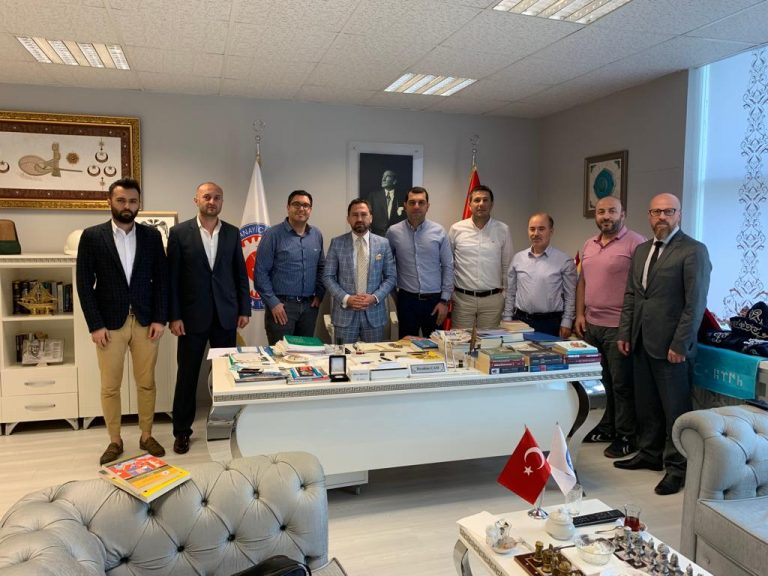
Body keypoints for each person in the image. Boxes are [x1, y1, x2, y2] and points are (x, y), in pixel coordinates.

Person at [614, 193, 711, 496]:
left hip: (672, 347)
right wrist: (625, 332)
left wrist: (681, 343)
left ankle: (677, 468)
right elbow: (632, 295)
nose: (662, 217)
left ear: (679, 214)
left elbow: (695, 304)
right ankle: (649, 453)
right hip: (641, 341)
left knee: (675, 411)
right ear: (649, 215)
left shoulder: (693, 250)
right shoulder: (642, 250)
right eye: (656, 212)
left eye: (668, 211)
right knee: (647, 405)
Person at [76, 177, 168, 466]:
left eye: (132, 201)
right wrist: (95, 324)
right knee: (110, 386)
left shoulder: (152, 237)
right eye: (121, 200)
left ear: (139, 204)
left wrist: (160, 318)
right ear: (110, 202)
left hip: (145, 322)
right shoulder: (92, 236)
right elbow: (84, 284)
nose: (127, 205)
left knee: (147, 383)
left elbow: (162, 281)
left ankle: (146, 435)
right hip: (108, 324)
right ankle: (115, 440)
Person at [167, 182, 250, 454]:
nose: (212, 201)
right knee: (187, 376)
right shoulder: (180, 233)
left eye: (217, 197)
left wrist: (244, 309)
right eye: (207, 197)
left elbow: (239, 274)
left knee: (225, 376)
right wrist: (174, 316)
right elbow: (173, 279)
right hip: (191, 318)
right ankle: (182, 431)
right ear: (196, 200)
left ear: (221, 202)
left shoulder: (232, 233)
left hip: (226, 316)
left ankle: (224, 426)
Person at [574, 197, 646, 458]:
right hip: (591, 325)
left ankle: (626, 435)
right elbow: (582, 282)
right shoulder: (589, 244)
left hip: (619, 327)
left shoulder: (636, 243)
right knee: (599, 382)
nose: (606, 216)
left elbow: (641, 288)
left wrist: (629, 326)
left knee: (621, 384)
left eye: (612, 211)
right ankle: (605, 427)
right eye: (601, 211)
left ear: (623, 214)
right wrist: (579, 314)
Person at [254, 190, 325, 344]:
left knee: (305, 354)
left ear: (310, 210)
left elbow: (321, 267)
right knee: (281, 355)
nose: (301, 209)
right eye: (296, 204)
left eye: (306, 205)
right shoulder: (272, 235)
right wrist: (273, 303)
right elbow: (260, 273)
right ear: (288, 207)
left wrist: (319, 293)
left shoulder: (316, 235)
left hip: (309, 308)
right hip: (282, 308)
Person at [323, 198, 396, 343]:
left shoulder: (383, 243)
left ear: (371, 217)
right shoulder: (337, 243)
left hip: (374, 314)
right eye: (355, 215)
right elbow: (328, 277)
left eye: (363, 214)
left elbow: (391, 277)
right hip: (345, 315)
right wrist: (346, 298)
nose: (359, 219)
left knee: (374, 356)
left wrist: (374, 297)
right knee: (343, 355)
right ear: (348, 219)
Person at [386, 186, 453, 337]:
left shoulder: (439, 231)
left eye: (421, 202)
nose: (416, 206)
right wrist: (395, 296)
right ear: (405, 205)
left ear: (427, 206)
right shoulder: (393, 232)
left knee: (436, 346)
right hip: (407, 301)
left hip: (435, 301)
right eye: (412, 202)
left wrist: (444, 301)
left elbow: (448, 266)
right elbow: (387, 268)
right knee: (407, 346)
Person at [448, 185, 513, 330]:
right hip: (463, 300)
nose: (481, 204)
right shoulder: (456, 229)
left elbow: (507, 266)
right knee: (461, 341)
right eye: (477, 200)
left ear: (492, 204)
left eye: (485, 200)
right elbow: (448, 265)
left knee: (489, 342)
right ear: (469, 204)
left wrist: (504, 296)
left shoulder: (503, 230)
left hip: (492, 301)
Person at [502, 213, 576, 337]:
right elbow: (511, 292)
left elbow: (570, 296)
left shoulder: (564, 261)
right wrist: (507, 317)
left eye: (541, 229)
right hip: (520, 321)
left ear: (551, 231)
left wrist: (567, 322)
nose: (536, 233)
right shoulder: (518, 258)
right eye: (532, 229)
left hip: (549, 323)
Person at [363, 169, 406, 236]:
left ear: (394, 181)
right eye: (383, 176)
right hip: (376, 236)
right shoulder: (373, 196)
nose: (383, 179)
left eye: (387, 176)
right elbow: (367, 216)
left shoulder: (402, 197)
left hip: (396, 236)